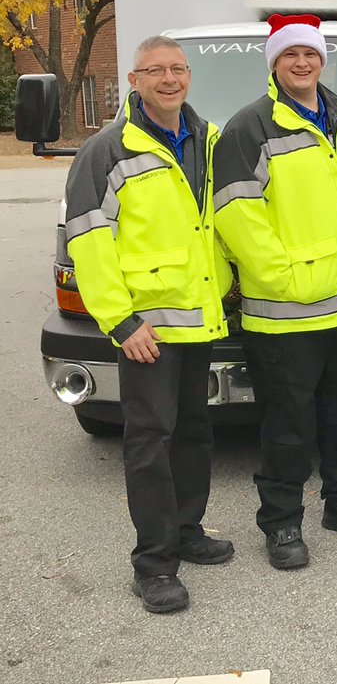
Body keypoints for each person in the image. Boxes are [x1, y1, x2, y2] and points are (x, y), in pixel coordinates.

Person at [214, 14, 337, 570]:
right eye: (290, 54)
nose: (302, 63)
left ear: (323, 59)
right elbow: (238, 217)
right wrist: (288, 280)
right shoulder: (251, 128)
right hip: (285, 312)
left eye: (310, 54)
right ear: (274, 62)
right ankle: (282, 523)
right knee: (287, 426)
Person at [65, 36, 233, 613]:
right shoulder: (106, 151)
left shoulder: (210, 142)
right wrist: (120, 321)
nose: (169, 79)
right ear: (133, 81)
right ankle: (154, 564)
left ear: (189, 76)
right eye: (155, 71)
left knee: (193, 434)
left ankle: (188, 532)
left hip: (200, 321)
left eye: (177, 69)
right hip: (146, 333)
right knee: (148, 443)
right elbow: (88, 241)